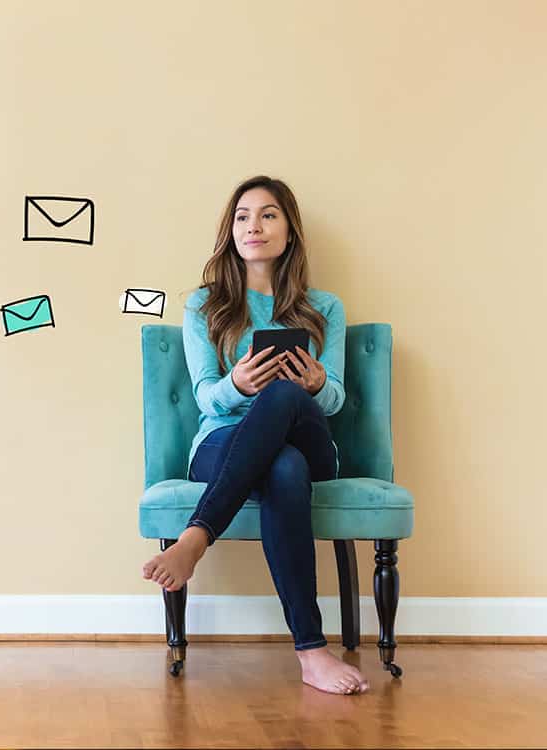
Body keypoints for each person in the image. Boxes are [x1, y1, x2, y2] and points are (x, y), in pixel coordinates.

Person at [140, 175, 370, 695]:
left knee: (287, 399)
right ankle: (311, 653)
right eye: (243, 216)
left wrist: (314, 384)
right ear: (231, 231)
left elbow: (333, 397)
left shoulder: (324, 307)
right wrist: (236, 384)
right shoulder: (204, 305)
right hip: (222, 443)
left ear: (289, 231)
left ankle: (195, 538)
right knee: (282, 466)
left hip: (313, 442)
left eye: (268, 215)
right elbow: (205, 398)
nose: (254, 226)